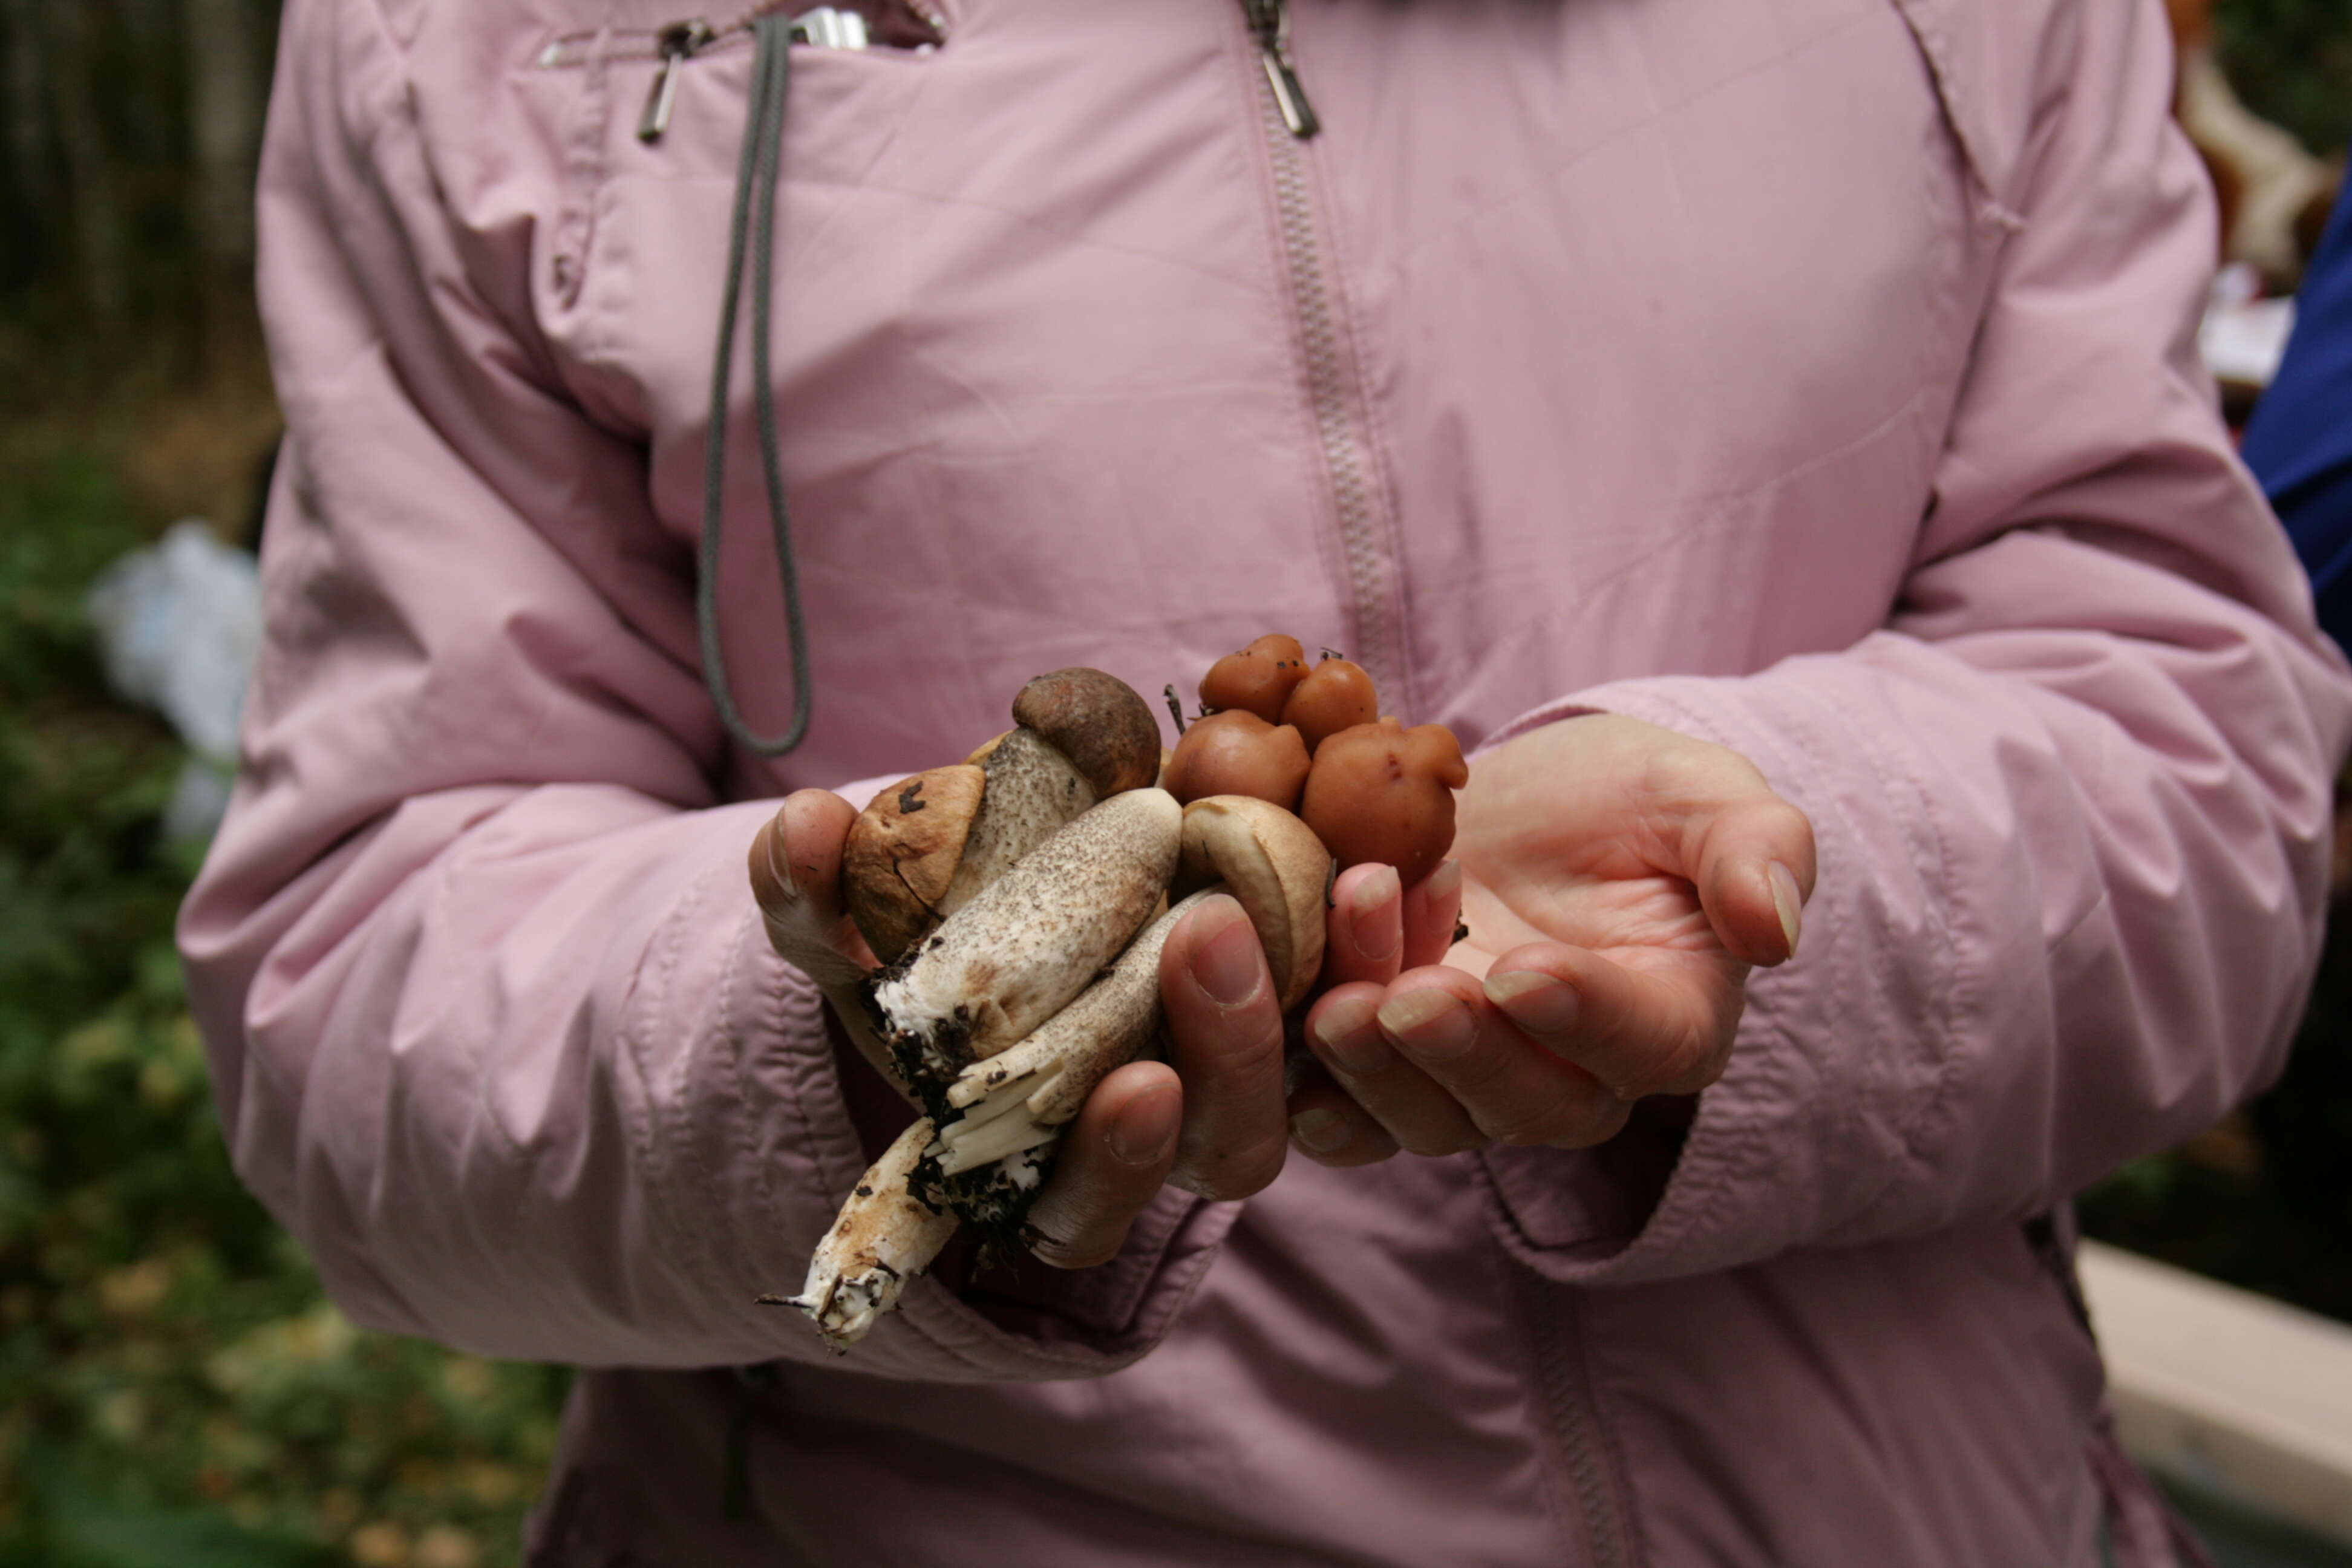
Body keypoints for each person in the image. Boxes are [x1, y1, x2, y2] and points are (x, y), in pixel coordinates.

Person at [178, 0, 2352, 1561]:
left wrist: (1789, 874)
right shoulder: (461, 42)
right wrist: (843, 1049)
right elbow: (368, 978)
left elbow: (2206, 747)